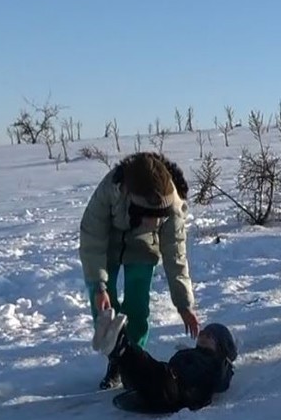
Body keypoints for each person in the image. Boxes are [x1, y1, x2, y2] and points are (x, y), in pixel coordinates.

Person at [78, 152, 200, 390]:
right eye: (149, 216)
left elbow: (176, 256)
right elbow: (92, 239)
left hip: (143, 249)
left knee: (137, 304)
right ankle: (115, 355)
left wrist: (184, 304)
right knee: (103, 303)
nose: (155, 223)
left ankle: (131, 361)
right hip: (107, 246)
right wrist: (100, 285)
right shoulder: (111, 189)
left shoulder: (172, 204)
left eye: (159, 218)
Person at [93, 311, 236, 413]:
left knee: (152, 369)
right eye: (203, 333)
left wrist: (226, 363)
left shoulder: (217, 364)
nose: (203, 336)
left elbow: (220, 382)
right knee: (143, 372)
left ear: (221, 346)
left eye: (209, 336)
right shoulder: (189, 353)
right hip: (168, 386)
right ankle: (113, 346)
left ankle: (119, 343)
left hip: (178, 392)